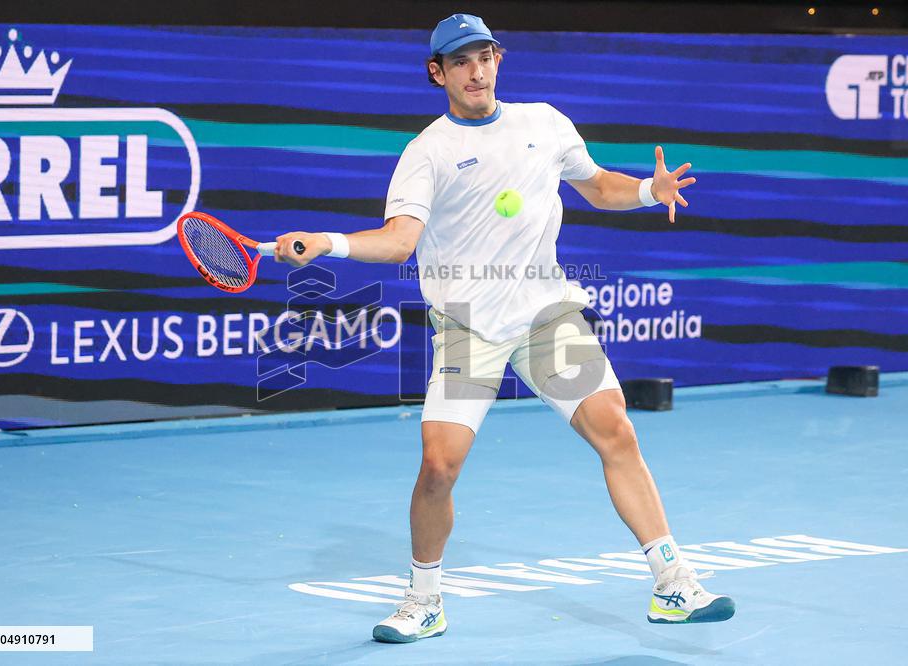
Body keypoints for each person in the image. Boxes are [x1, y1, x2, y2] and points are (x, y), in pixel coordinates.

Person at [273, 13, 735, 643]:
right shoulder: (426, 152)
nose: (476, 70)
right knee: (438, 466)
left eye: (485, 56)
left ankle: (672, 583)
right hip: (467, 327)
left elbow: (598, 187)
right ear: (438, 73)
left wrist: (650, 192)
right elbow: (399, 241)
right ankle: (425, 599)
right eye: (460, 61)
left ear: (498, 60)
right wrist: (328, 242)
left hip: (546, 315)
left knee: (616, 431)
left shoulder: (544, 123)